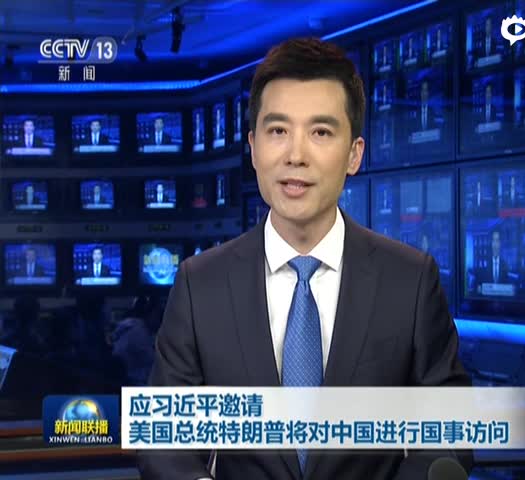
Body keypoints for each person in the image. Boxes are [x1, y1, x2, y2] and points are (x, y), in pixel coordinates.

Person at [138, 37, 471, 480]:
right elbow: (164, 441)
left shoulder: (409, 280)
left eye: (321, 133)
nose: (296, 155)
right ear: (253, 146)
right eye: (278, 131)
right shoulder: (201, 284)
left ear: (354, 154)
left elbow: (450, 432)